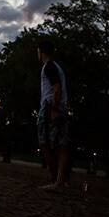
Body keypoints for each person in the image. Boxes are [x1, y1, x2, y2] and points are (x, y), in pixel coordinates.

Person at [37, 40, 70, 190]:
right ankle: (61, 180)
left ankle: (56, 180)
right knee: (61, 145)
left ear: (41, 51)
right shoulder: (58, 66)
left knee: (45, 143)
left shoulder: (49, 66)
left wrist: (54, 109)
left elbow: (56, 88)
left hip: (51, 107)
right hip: (61, 106)